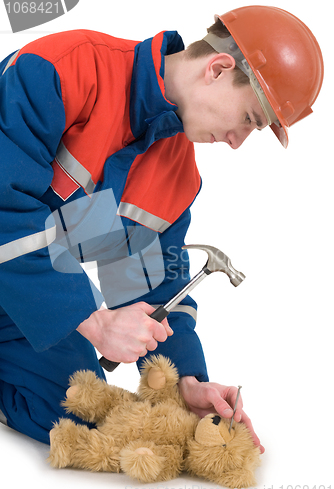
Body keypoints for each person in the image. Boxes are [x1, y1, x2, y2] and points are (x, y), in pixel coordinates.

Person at [0, 5, 323, 453]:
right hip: (21, 281)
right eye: (249, 119)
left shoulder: (177, 174)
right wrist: (94, 323)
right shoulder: (66, 68)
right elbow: (4, 207)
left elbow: (150, 283)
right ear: (218, 68)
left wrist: (183, 382)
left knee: (85, 409)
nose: (236, 142)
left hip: (19, 306)